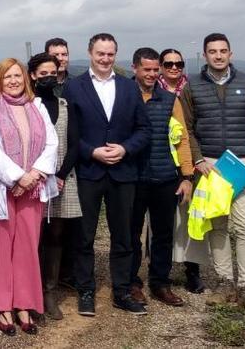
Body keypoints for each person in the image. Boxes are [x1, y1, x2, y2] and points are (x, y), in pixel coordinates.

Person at [58, 33, 150, 316]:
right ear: (90, 53)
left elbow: (144, 130)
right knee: (83, 237)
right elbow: (68, 132)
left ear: (115, 55)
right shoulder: (74, 87)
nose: (105, 59)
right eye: (100, 53)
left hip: (123, 172)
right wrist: (91, 151)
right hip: (88, 171)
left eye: (110, 54)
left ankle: (121, 290)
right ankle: (86, 290)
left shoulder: (128, 87)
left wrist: (124, 148)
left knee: (123, 235)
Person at [180, 33, 245, 318]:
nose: (218, 56)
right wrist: (197, 160)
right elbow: (187, 128)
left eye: (223, 51)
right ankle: (224, 283)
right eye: (212, 51)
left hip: (243, 167)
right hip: (212, 168)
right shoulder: (192, 86)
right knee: (218, 228)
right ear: (205, 55)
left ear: (230, 53)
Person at [0, 58, 59, 335]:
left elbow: (51, 142)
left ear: (26, 79)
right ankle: (2, 307)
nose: (13, 81)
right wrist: (17, 177)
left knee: (26, 248)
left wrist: (33, 175)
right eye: (7, 76)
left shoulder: (37, 107)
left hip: (32, 189)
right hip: (1, 188)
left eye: (18, 76)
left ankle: (23, 304)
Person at [128, 48, 194, 307]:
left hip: (165, 177)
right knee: (131, 233)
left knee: (163, 234)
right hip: (132, 178)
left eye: (156, 70)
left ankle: (160, 283)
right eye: (147, 69)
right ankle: (131, 282)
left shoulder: (170, 100)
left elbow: (182, 139)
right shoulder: (123, 96)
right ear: (135, 68)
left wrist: (186, 176)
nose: (152, 74)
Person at [28, 52, 80, 321]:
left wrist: (60, 174)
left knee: (56, 235)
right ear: (34, 76)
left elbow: (73, 143)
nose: (49, 77)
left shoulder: (65, 104)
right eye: (43, 73)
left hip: (61, 179)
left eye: (53, 73)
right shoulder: (27, 105)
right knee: (32, 237)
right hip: (33, 180)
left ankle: (49, 290)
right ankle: (31, 291)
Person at [159, 47, 205, 295]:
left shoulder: (192, 90)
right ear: (160, 66)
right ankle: (161, 271)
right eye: (168, 64)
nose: (174, 68)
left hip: (188, 161)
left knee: (191, 217)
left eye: (179, 63)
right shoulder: (148, 90)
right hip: (160, 163)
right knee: (162, 222)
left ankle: (192, 270)